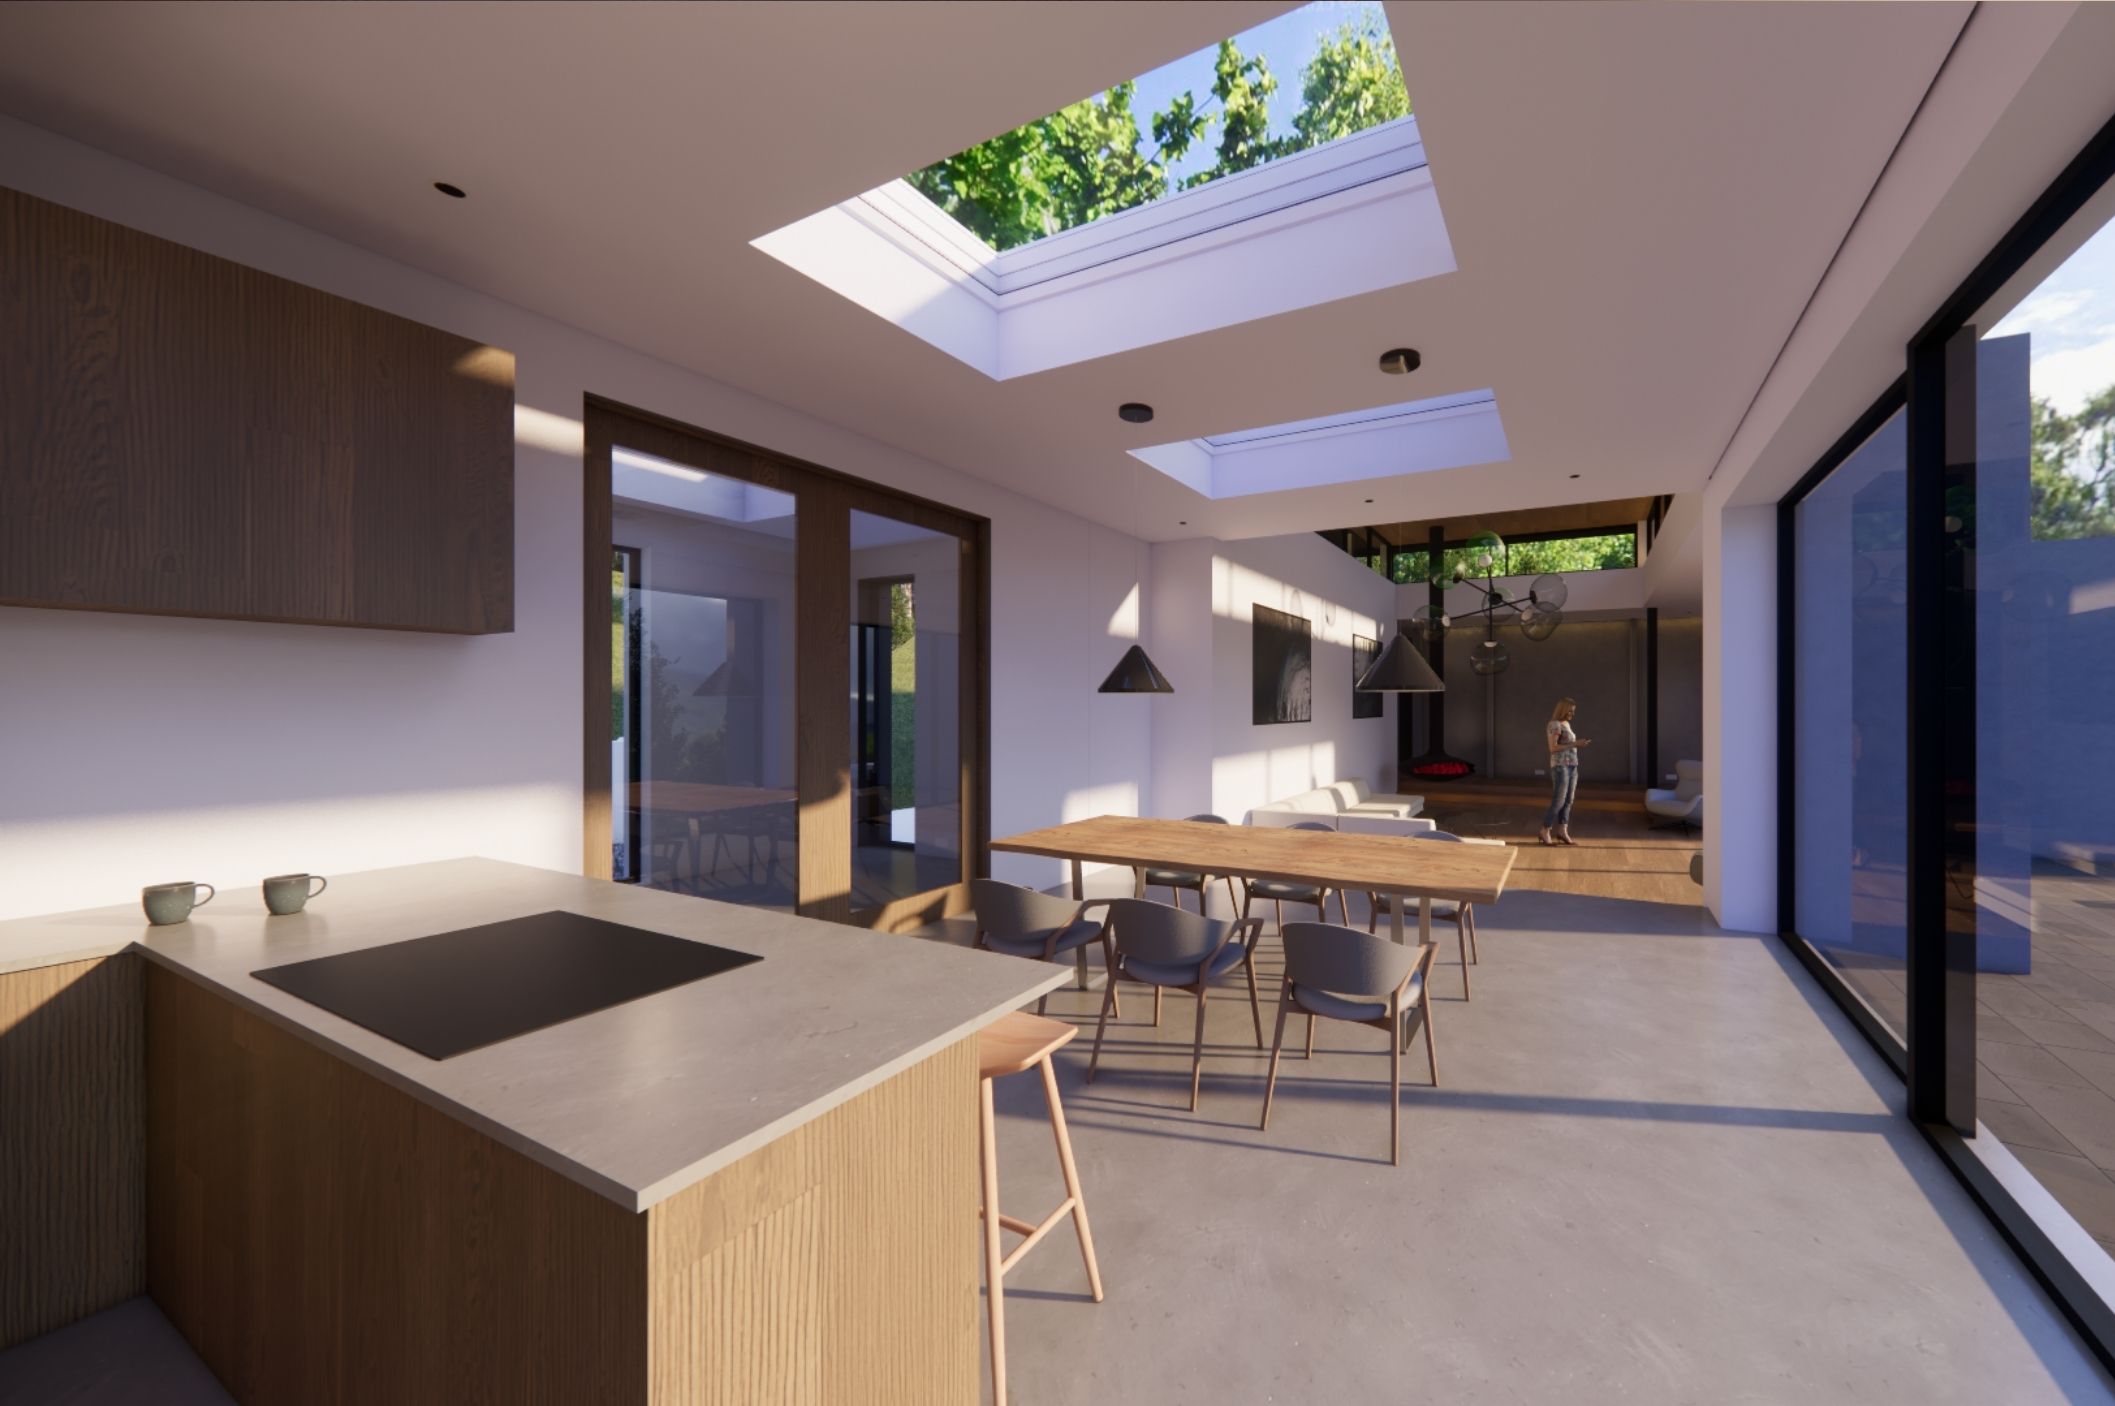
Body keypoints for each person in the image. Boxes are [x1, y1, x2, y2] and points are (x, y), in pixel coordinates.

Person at [1540, 697, 1591, 846]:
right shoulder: (1554, 725)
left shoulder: (1566, 724)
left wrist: (1578, 744)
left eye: (1573, 711)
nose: (1572, 714)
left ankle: (1562, 831)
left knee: (1569, 800)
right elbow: (1552, 748)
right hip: (1560, 767)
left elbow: (1568, 744)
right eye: (1570, 710)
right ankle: (1545, 830)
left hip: (1572, 766)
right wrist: (1576, 743)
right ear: (1562, 709)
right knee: (1559, 800)